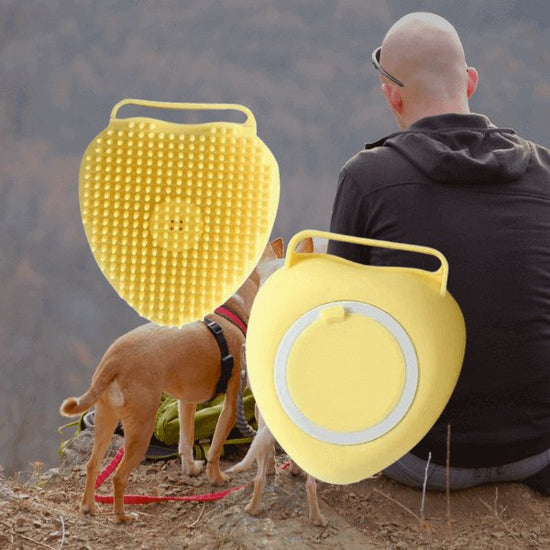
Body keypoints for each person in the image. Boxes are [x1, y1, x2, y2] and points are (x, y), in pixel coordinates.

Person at [328, 12, 550, 494]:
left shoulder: (365, 180)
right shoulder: (545, 174)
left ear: (392, 93)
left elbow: (336, 324)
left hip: (420, 458)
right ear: (470, 81)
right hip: (539, 451)